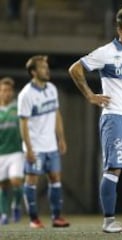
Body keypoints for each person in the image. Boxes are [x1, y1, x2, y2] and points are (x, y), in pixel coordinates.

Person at [68, 7, 122, 233]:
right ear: (120, 30)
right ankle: (109, 221)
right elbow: (75, 69)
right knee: (114, 168)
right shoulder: (106, 52)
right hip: (115, 118)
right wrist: (89, 95)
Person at [18, 55, 70, 229]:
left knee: (55, 178)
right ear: (33, 72)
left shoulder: (52, 89)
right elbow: (23, 124)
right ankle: (34, 219)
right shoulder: (26, 94)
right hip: (35, 147)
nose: (46, 70)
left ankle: (56, 217)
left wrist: (61, 138)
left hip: (51, 146)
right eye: (42, 67)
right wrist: (29, 148)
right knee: (32, 180)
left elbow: (56, 115)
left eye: (46, 66)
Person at [0, 77, 24, 225]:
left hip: (16, 151)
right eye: (2, 90)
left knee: (16, 181)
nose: (5, 93)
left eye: (8, 90)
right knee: (3, 185)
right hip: (1, 153)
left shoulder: (18, 108)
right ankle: (3, 214)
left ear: (12, 92)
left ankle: (16, 205)